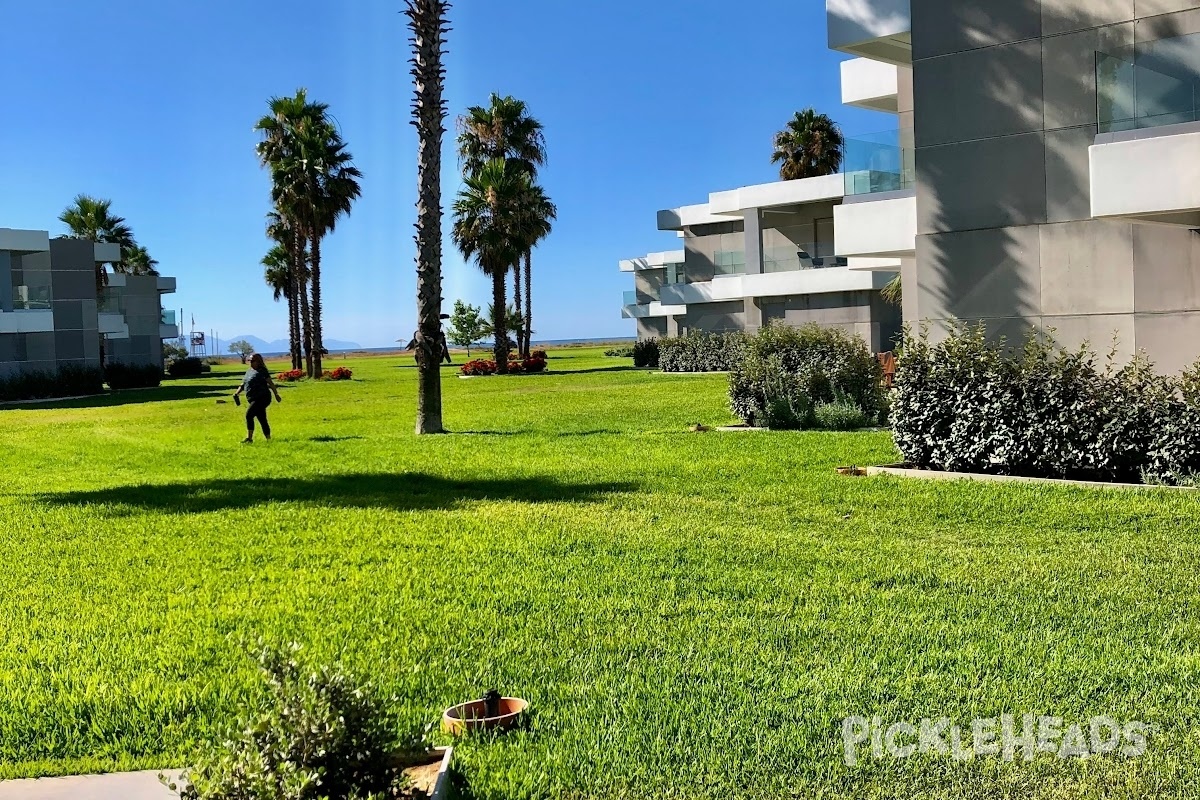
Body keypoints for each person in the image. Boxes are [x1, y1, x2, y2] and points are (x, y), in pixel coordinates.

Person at [233, 353, 282, 443]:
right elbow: (243, 384)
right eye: (250, 361)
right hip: (252, 398)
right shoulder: (249, 371)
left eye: (253, 361)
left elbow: (270, 383)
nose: (251, 363)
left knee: (249, 415)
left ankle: (249, 438)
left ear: (258, 362)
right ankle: (268, 439)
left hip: (262, 397)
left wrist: (276, 394)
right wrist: (236, 393)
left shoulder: (262, 371)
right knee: (262, 418)